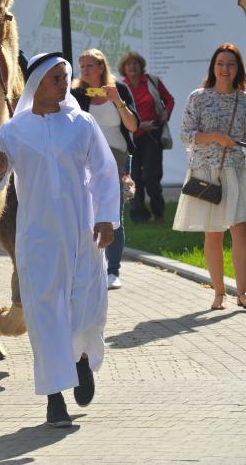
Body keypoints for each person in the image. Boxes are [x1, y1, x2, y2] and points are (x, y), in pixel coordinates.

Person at [0, 52, 120, 428]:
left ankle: (81, 360)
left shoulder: (82, 123)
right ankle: (55, 397)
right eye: (57, 78)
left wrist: (107, 218)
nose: (64, 83)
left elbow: (105, 171)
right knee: (44, 313)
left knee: (86, 305)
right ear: (36, 83)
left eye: (65, 77)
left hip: (81, 231)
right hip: (38, 235)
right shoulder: (12, 130)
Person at [173, 43, 246, 311]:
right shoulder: (199, 97)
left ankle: (242, 292)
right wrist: (216, 137)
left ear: (238, 69)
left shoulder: (244, 99)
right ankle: (218, 292)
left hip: (238, 172)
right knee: (213, 234)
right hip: (206, 173)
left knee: (240, 231)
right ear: (213, 67)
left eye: (231, 64)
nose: (225, 69)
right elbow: (185, 135)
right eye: (220, 64)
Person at [71, 49, 139, 289]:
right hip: (86, 160)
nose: (85, 71)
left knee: (113, 213)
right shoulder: (76, 93)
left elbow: (132, 125)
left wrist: (117, 101)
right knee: (86, 211)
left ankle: (113, 270)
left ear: (101, 67)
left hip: (117, 159)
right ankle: (91, 265)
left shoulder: (119, 90)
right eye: (82, 66)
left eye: (89, 66)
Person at [118, 51, 174, 224]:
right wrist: (137, 125)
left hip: (152, 136)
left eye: (135, 63)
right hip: (132, 138)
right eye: (129, 64)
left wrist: (166, 112)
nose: (132, 67)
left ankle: (158, 214)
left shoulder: (152, 81)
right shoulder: (120, 87)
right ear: (123, 69)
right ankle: (139, 216)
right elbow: (118, 113)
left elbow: (169, 99)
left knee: (151, 177)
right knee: (133, 179)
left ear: (141, 65)